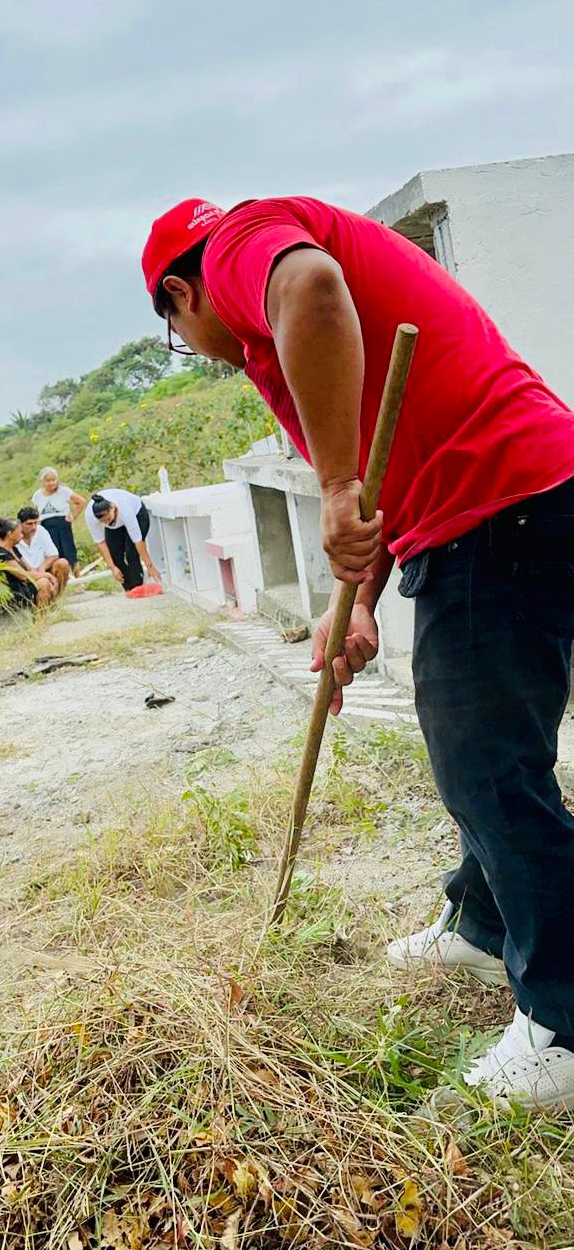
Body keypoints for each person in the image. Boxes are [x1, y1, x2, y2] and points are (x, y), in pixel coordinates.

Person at [141, 195, 574, 1111]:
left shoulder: (243, 248)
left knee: (490, 770)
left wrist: (335, 485)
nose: (197, 348)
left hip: (501, 505)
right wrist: (360, 604)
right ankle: (483, 924)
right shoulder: (272, 337)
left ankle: (563, 1026)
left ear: (181, 295)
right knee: (470, 744)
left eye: (179, 335)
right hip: (490, 509)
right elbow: (382, 486)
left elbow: (311, 285)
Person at [84, 489, 161, 590]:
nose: (106, 523)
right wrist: (112, 568)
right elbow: (100, 543)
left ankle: (139, 586)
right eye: (103, 521)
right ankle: (130, 589)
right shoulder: (90, 516)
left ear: (112, 507)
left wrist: (150, 566)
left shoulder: (125, 509)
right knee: (114, 555)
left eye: (108, 519)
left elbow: (138, 541)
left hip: (137, 513)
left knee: (131, 553)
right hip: (116, 524)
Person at [0, 518, 54, 610]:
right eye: (20, 532)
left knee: (45, 580)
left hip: (23, 585)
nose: (22, 535)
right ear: (9, 534)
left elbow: (29, 568)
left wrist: (44, 574)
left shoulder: (13, 548)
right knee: (43, 582)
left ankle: (44, 611)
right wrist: (46, 575)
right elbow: (23, 576)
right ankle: (41, 616)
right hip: (12, 591)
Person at [31, 467, 86, 577]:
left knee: (70, 553)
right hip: (46, 528)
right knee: (52, 555)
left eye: (53, 479)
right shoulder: (37, 495)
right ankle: (59, 581)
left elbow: (81, 501)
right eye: (48, 480)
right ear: (42, 481)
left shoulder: (64, 491)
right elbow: (35, 514)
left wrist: (73, 515)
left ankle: (79, 581)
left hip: (63, 526)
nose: (51, 483)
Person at [17, 505, 70, 595]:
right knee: (43, 582)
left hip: (43, 569)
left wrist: (42, 568)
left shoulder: (40, 530)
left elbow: (54, 554)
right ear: (20, 524)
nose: (34, 527)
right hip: (26, 574)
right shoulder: (14, 537)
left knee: (62, 563)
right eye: (29, 524)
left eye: (35, 523)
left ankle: (57, 597)